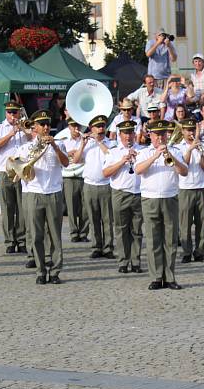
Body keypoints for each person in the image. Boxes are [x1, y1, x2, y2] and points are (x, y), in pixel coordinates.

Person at [134, 120, 188, 290]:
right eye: (157, 135)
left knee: (170, 240)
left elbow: (184, 171)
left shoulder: (176, 151)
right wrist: (156, 155)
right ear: (150, 136)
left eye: (163, 134)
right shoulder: (144, 152)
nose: (161, 138)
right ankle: (157, 277)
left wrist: (171, 158)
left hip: (170, 198)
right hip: (149, 199)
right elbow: (138, 170)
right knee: (153, 239)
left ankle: (170, 277)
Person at [19, 110, 69, 285]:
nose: (46, 127)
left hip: (54, 192)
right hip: (35, 193)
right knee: (36, 235)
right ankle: (40, 271)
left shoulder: (59, 144)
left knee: (55, 235)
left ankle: (55, 271)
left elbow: (66, 163)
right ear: (35, 127)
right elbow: (22, 172)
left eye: (48, 124)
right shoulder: (26, 147)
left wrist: (54, 146)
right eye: (42, 124)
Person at [103, 120, 143, 274]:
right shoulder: (113, 152)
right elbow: (106, 173)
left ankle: (136, 261)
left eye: (131, 133)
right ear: (119, 135)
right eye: (125, 133)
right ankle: (123, 261)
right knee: (121, 229)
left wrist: (136, 157)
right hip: (120, 193)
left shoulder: (142, 150)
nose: (128, 136)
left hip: (138, 193)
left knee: (137, 230)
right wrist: (122, 161)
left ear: (134, 134)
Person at [0, 101, 29, 255]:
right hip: (4, 171)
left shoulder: (24, 127)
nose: (13, 115)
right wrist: (11, 133)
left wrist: (24, 131)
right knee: (7, 208)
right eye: (10, 113)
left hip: (20, 172)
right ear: (6, 113)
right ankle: (10, 241)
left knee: (22, 207)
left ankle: (22, 240)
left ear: (19, 113)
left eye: (15, 112)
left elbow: (32, 141)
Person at [72, 115, 114, 259]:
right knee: (93, 217)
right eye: (98, 127)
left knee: (107, 219)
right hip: (89, 185)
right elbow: (76, 160)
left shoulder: (111, 143)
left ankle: (108, 247)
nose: (101, 129)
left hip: (106, 185)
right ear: (91, 129)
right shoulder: (87, 144)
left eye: (102, 126)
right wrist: (83, 144)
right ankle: (97, 246)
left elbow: (110, 155)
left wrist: (98, 141)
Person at [177, 118, 204, 262]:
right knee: (185, 224)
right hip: (185, 189)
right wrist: (190, 149)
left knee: (201, 223)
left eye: (192, 130)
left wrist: (201, 152)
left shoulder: (201, 145)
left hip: (201, 188)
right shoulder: (179, 147)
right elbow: (184, 164)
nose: (190, 132)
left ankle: (200, 252)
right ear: (183, 131)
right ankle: (186, 252)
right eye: (188, 130)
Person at [59, 117, 90, 242]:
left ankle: (83, 233)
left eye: (78, 126)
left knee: (85, 207)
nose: (76, 129)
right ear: (69, 127)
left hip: (83, 175)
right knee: (71, 207)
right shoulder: (64, 141)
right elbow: (61, 158)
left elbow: (85, 157)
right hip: (69, 176)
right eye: (73, 126)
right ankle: (73, 233)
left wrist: (77, 152)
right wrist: (68, 153)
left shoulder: (85, 140)